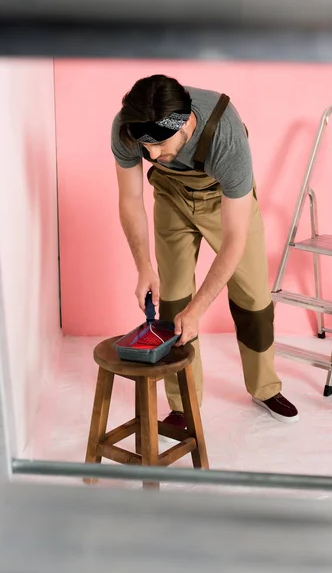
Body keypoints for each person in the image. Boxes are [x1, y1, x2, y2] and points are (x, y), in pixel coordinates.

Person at [111, 74, 299, 428]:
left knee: (254, 298)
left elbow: (235, 241)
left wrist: (199, 310)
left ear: (186, 125)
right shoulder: (128, 126)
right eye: (144, 146)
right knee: (174, 301)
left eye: (159, 145)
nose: (151, 155)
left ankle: (264, 388)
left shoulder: (226, 140)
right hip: (170, 195)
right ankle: (182, 405)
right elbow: (130, 201)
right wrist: (143, 266)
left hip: (224, 200)